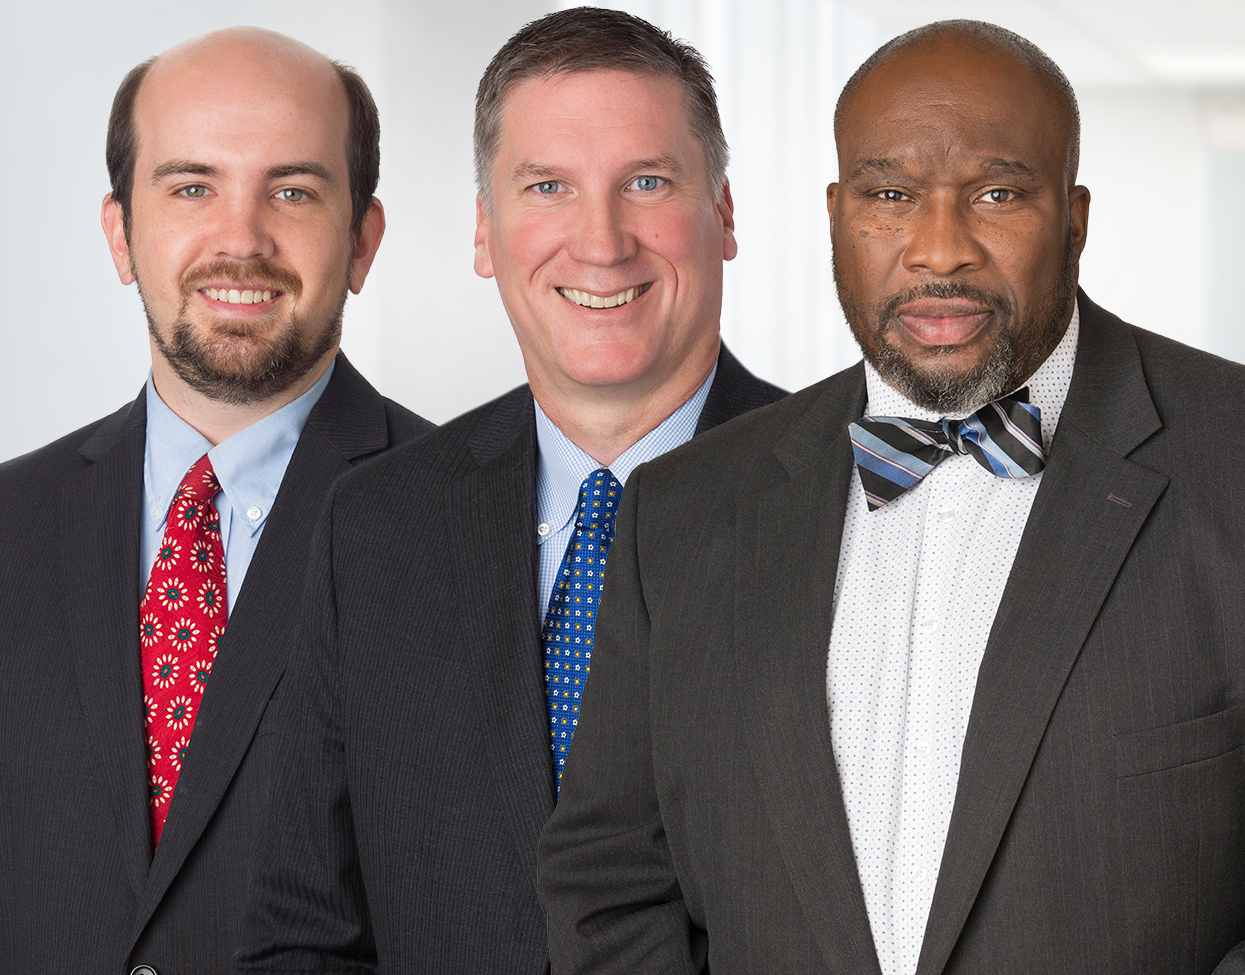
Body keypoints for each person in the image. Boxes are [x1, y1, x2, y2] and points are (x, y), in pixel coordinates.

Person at [538, 19, 1245, 975]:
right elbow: (611, 882)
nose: (938, 250)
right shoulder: (682, 511)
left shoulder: (1229, 459)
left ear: (1074, 219)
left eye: (997, 194)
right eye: (890, 195)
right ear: (835, 214)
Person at [234, 7, 784, 973]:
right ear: (485, 231)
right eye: (548, 188)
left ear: (725, 213)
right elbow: (301, 926)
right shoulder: (375, 528)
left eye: (647, 182)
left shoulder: (859, 497)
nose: (600, 241)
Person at [0, 28, 432, 975]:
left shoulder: (467, 525)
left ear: (363, 241)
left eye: (293, 190)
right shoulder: (10, 524)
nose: (241, 239)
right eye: (192, 187)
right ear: (120, 234)